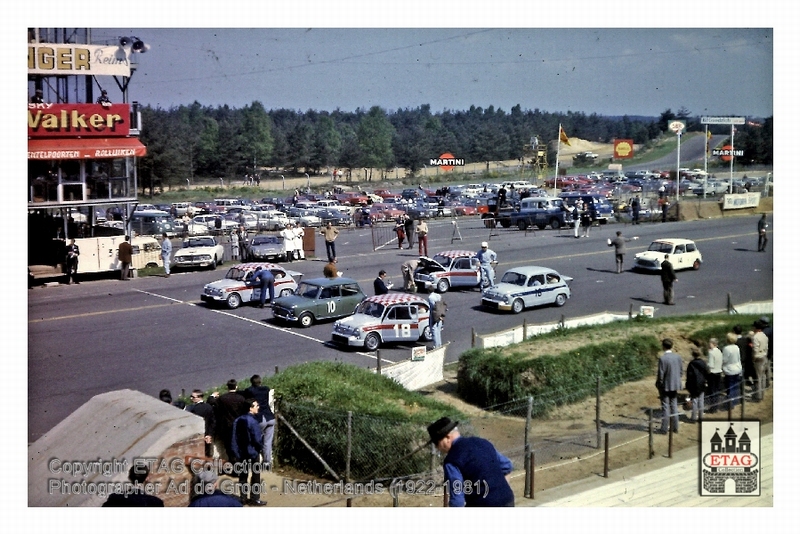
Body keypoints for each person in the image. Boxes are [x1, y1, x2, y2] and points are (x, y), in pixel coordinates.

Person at [426, 417, 514, 507]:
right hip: (507, 500)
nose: (437, 447)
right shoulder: (482, 442)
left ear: (447, 438)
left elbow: (457, 499)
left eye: (436, 443)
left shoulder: (452, 460)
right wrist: (499, 492)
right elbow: (507, 466)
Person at [230, 398, 266, 505]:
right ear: (250, 408)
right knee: (255, 476)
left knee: (243, 476)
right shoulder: (253, 422)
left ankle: (243, 498)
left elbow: (233, 437)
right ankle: (255, 498)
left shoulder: (237, 420)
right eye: (256, 406)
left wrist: (235, 451)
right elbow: (257, 439)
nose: (258, 407)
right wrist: (260, 448)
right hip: (252, 452)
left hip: (241, 453)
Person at [209, 379, 248, 461]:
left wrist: (212, 396)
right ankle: (239, 461)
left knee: (228, 445)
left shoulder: (222, 398)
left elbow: (211, 402)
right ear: (236, 386)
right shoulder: (241, 398)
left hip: (226, 425)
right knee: (239, 444)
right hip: (239, 425)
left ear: (227, 387)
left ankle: (231, 461)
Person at [243, 375, 276, 470]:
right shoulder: (266, 389)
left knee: (255, 440)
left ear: (251, 382)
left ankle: (254, 462)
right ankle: (267, 463)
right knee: (268, 442)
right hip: (270, 417)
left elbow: (244, 394)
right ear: (260, 382)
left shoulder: (250, 391)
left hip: (259, 419)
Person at [656, 338, 683, 434]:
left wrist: (659, 384)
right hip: (675, 385)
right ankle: (675, 427)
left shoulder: (662, 359)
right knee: (674, 405)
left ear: (663, 346)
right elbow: (680, 371)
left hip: (665, 386)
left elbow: (661, 375)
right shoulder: (678, 357)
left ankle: (664, 428)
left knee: (665, 406)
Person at [186, 389, 217, 458]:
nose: (191, 398)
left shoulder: (192, 409)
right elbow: (212, 422)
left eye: (193, 397)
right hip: (207, 434)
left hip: (197, 433)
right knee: (208, 453)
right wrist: (209, 434)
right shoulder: (209, 407)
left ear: (199, 397)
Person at [686, 348, 709, 422]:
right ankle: (701, 417)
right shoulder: (703, 363)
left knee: (695, 401)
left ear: (693, 355)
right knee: (701, 401)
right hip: (702, 383)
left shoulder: (691, 364)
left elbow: (689, 375)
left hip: (693, 384)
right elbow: (706, 372)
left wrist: (688, 384)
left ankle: (693, 417)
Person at [722, 332, 743, 410]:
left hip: (729, 369)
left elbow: (725, 359)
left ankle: (730, 403)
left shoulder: (726, 348)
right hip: (737, 368)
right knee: (735, 385)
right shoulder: (736, 347)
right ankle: (735, 400)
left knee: (730, 386)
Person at [751, 319, 769, 402]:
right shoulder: (764, 335)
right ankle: (762, 392)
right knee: (763, 376)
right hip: (764, 356)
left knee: (758, 377)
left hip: (758, 358)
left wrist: (753, 358)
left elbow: (755, 349)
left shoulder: (755, 337)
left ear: (756, 328)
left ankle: (758, 396)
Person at [706, 338, 723, 414]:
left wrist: (706, 366)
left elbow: (711, 365)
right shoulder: (719, 351)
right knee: (716, 390)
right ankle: (716, 406)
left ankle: (713, 407)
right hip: (719, 371)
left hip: (712, 373)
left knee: (712, 391)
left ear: (713, 344)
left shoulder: (711, 353)